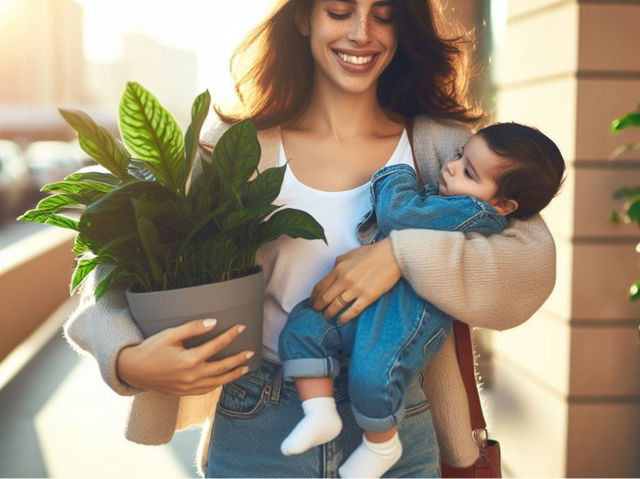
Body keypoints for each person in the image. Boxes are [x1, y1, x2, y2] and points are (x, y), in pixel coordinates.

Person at [63, 0, 557, 477]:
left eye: (383, 15)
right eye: (339, 11)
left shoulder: (447, 148)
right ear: (302, 17)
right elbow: (119, 250)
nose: (362, 32)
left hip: (402, 429)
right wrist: (126, 357)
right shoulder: (235, 143)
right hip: (260, 424)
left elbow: (530, 264)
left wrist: (401, 255)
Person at [278, 122, 566, 478]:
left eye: (468, 171)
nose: (451, 164)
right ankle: (319, 410)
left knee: (374, 375)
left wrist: (394, 176)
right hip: (357, 316)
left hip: (405, 315)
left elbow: (399, 215)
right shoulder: (450, 193)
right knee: (303, 327)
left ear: (503, 204)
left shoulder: (473, 212)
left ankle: (381, 446)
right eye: (460, 154)